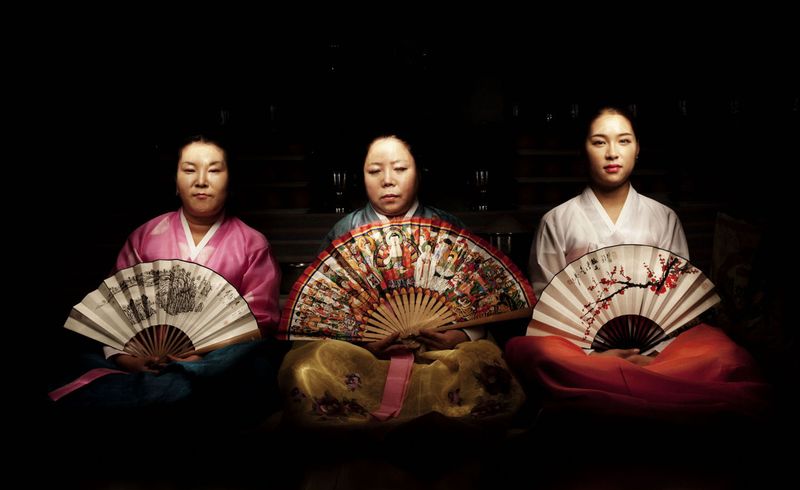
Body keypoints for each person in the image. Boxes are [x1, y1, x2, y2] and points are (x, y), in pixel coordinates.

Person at [504, 106, 769, 418]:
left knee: (722, 350)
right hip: (581, 356)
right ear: (584, 150)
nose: (612, 153)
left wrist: (656, 352)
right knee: (533, 350)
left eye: (624, 141)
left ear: (638, 149)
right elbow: (548, 308)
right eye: (599, 142)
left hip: (662, 350)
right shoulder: (557, 220)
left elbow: (680, 301)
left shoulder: (663, 217)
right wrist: (592, 356)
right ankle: (637, 382)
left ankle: (634, 378)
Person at [279, 134, 525, 425]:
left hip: (441, 350)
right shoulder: (343, 231)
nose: (387, 180)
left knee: (486, 365)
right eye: (374, 171)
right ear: (362, 177)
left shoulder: (447, 227)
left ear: (419, 175)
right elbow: (322, 312)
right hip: (363, 354)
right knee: (307, 366)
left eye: (400, 168)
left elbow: (482, 300)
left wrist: (462, 335)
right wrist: (361, 343)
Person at [49, 134, 284, 426]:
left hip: (214, 362)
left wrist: (200, 357)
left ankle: (161, 392)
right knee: (78, 352)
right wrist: (126, 359)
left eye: (214, 170)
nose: (201, 180)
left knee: (254, 357)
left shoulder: (252, 243)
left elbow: (259, 322)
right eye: (189, 169)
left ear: (230, 180)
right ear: (175, 181)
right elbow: (113, 310)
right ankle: (169, 391)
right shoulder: (145, 236)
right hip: (142, 359)